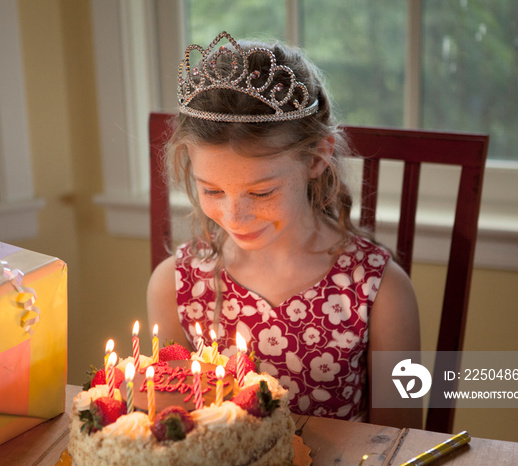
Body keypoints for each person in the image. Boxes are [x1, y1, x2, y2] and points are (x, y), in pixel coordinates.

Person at [147, 31, 421, 428]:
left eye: (261, 192)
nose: (235, 216)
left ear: (316, 158)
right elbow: (174, 433)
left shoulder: (379, 291)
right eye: (212, 190)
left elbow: (400, 442)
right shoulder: (174, 286)